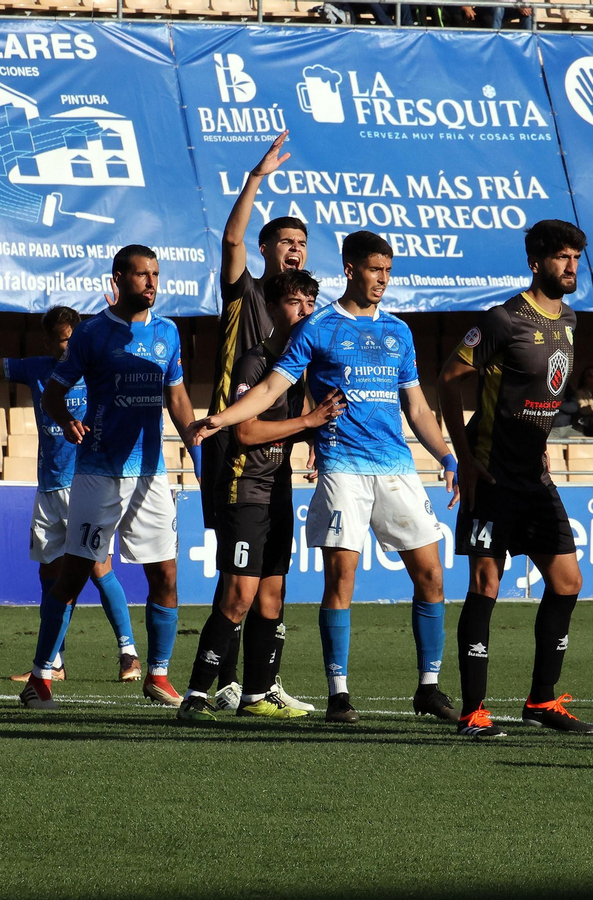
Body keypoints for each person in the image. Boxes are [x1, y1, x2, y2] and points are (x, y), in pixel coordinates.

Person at [190, 230, 460, 726]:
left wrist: (447, 456)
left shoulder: (399, 331)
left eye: (388, 271)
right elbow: (273, 386)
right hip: (342, 467)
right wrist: (223, 419)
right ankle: (339, 694)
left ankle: (429, 687)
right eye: (374, 270)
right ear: (351, 269)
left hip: (395, 466)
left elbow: (417, 406)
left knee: (432, 577)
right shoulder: (318, 327)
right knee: (341, 581)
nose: (382, 279)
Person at [18, 246, 199, 711]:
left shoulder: (168, 332)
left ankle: (157, 674)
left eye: (156, 274)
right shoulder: (93, 334)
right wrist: (66, 419)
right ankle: (40, 678)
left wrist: (198, 453)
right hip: (99, 474)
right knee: (74, 573)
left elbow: (176, 399)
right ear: (119, 278)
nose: (152, 283)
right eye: (142, 275)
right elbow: (55, 393)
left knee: (166, 575)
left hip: (152, 474)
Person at [437, 219, 593, 740]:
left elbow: (537, 399)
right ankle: (473, 713)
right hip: (493, 477)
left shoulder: (570, 319)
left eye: (576, 257)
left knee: (567, 582)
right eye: (561, 257)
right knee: (486, 583)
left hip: (534, 477)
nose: (571, 266)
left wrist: (543, 443)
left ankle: (542, 700)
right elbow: (449, 381)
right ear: (536, 262)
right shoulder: (503, 320)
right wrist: (465, 459)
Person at [177, 270, 342, 722]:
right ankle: (194, 695)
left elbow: (302, 416)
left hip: (278, 492)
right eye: (294, 303)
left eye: (311, 303)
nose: (305, 311)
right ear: (272, 308)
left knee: (272, 598)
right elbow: (247, 431)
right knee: (238, 598)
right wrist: (307, 424)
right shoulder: (255, 362)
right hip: (244, 489)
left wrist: (311, 440)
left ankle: (258, 693)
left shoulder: (302, 363)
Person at [0, 283, 143, 684]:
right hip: (48, 488)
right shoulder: (38, 369)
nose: (67, 348)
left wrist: (120, 316)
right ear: (48, 340)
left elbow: (132, 354)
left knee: (99, 568)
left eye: (72, 339)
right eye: (61, 341)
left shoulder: (97, 362)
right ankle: (55, 663)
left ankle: (129, 655)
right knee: (50, 577)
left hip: (89, 483)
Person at [201, 132, 313, 711]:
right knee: (237, 581)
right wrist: (256, 178)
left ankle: (260, 688)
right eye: (285, 242)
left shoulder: (305, 312)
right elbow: (230, 237)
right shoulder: (245, 297)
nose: (295, 250)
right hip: (232, 449)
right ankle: (213, 686)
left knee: (273, 580)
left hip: (278, 457)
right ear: (267, 248)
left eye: (301, 243)